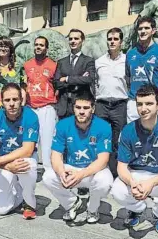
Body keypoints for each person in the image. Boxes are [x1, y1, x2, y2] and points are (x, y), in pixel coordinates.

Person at [111, 84, 158, 236]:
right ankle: (137, 210)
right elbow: (121, 166)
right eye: (140, 104)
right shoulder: (128, 130)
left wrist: (151, 183)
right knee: (116, 190)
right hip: (136, 175)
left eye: (149, 103)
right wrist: (132, 183)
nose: (143, 108)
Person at [42, 89, 113, 224]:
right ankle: (72, 203)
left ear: (93, 109)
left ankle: (92, 209)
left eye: (86, 108)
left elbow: (103, 160)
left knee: (105, 182)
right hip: (71, 169)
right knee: (48, 177)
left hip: (92, 170)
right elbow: (56, 155)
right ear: (73, 108)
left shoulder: (103, 126)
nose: (81, 111)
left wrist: (81, 174)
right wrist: (61, 172)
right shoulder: (63, 125)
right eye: (78, 107)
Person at [0, 83, 39, 219]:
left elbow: (27, 149)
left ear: (21, 100)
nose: (12, 104)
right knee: (0, 210)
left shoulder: (31, 116)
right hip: (4, 164)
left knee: (28, 164)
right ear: (1, 102)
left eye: (15, 99)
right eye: (7, 100)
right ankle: (18, 194)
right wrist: (6, 165)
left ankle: (29, 203)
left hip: (22, 159)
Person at [125, 16, 158, 123]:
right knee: (134, 138)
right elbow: (128, 79)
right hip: (134, 103)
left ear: (153, 31)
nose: (143, 31)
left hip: (154, 103)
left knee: (156, 137)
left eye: (146, 28)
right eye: (140, 28)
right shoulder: (130, 54)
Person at [95, 27, 128, 178]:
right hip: (102, 105)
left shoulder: (127, 60)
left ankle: (115, 174)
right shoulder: (99, 61)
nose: (112, 42)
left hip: (120, 105)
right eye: (110, 39)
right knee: (99, 138)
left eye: (115, 39)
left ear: (121, 42)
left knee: (117, 141)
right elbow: (94, 83)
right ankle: (98, 172)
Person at [24, 36, 58, 170]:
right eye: (36, 44)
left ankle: (48, 170)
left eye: (42, 45)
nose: (38, 47)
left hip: (47, 107)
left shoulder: (53, 65)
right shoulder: (27, 65)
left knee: (47, 141)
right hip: (30, 107)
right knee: (31, 140)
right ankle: (30, 168)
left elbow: (57, 85)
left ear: (46, 48)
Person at [54, 29, 96, 120]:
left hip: (80, 106)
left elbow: (90, 79)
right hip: (63, 107)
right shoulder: (61, 62)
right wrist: (80, 79)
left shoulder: (88, 60)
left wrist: (67, 79)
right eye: (71, 39)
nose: (73, 41)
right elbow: (56, 83)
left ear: (82, 41)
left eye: (76, 38)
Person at [0, 36, 24, 114]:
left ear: (11, 49)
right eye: (0, 46)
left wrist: (22, 106)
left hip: (14, 108)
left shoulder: (18, 67)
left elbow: (23, 88)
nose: (3, 49)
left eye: (6, 46)